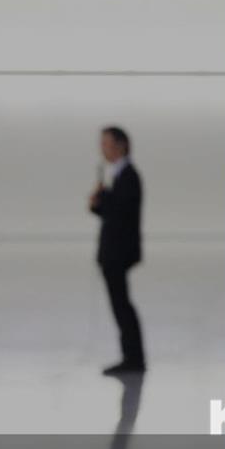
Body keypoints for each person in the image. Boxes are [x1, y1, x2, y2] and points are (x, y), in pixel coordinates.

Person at [89, 126, 145, 375]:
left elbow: (122, 213)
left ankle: (133, 358)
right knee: (120, 305)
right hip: (114, 252)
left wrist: (103, 199)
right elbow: (113, 212)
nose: (103, 149)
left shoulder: (129, 176)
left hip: (118, 253)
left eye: (107, 144)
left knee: (122, 305)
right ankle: (131, 356)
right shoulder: (120, 175)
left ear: (121, 145)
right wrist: (98, 203)